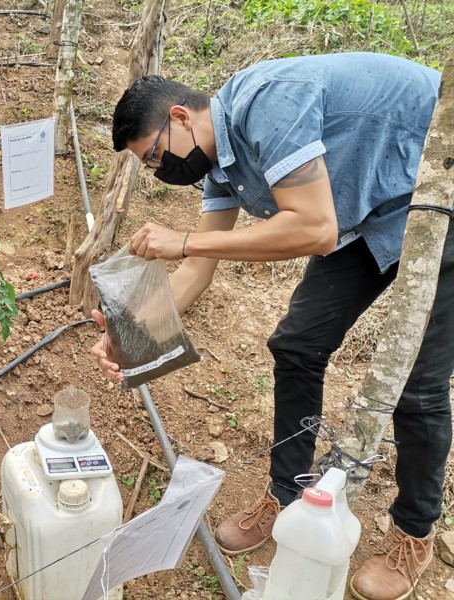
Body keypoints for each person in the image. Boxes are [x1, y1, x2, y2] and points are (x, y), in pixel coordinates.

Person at [92, 52, 447, 600]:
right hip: (371, 213)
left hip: (438, 192)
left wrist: (183, 238)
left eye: (158, 156)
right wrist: (133, 335)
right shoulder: (221, 167)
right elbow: (197, 271)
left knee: (417, 386)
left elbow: (314, 227)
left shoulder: (269, 101)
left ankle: (413, 534)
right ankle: (286, 494)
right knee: (298, 344)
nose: (163, 172)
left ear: (182, 117)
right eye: (153, 166)